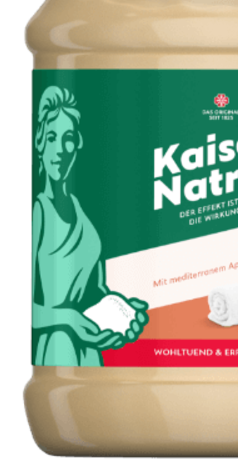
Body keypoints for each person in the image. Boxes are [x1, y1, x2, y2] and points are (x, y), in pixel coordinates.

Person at [32, 86, 149, 366]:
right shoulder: (39, 210)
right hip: (58, 348)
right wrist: (69, 318)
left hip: (89, 350)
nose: (60, 150)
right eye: (52, 138)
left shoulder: (79, 207)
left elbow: (94, 290)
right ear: (40, 142)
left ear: (77, 144)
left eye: (68, 139)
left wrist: (120, 310)